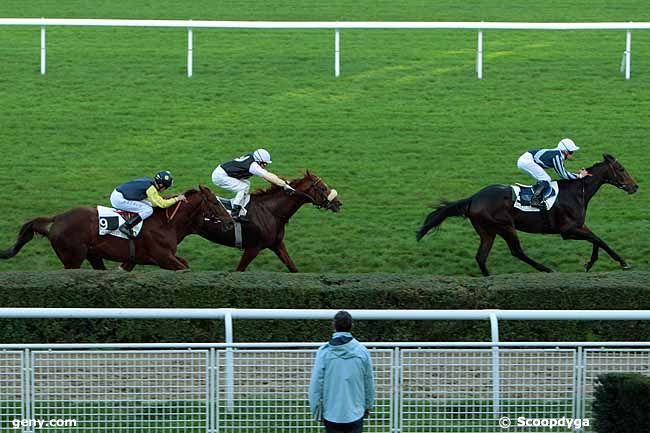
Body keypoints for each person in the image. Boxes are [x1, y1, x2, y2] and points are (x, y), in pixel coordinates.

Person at [309, 311, 375, 433]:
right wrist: (368, 405)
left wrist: (316, 409)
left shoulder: (324, 352)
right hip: (355, 412)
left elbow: (316, 385)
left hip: (331, 413)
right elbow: (368, 381)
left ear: (333, 326)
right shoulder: (362, 351)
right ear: (352, 326)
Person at [211, 149, 296, 222]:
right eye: (264, 163)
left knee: (246, 184)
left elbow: (267, 177)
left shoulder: (253, 159)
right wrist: (284, 185)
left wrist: (284, 183)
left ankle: (234, 204)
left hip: (222, 173)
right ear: (259, 161)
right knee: (243, 187)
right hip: (220, 176)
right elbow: (267, 176)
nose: (265, 166)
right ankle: (234, 212)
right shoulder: (253, 166)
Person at [110, 170, 186, 238]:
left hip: (120, 194)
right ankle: (126, 226)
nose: (165, 189)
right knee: (148, 210)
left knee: (149, 204)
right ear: (161, 185)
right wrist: (177, 199)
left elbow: (154, 200)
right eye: (165, 187)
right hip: (119, 200)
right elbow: (162, 204)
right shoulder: (151, 189)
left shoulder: (149, 182)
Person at [517, 138, 590, 208]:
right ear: (565, 151)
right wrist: (579, 176)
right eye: (571, 152)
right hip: (526, 160)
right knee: (546, 179)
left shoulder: (557, 154)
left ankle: (535, 194)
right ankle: (534, 200)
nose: (571, 154)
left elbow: (562, 171)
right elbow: (563, 174)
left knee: (543, 179)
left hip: (526, 159)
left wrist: (575, 175)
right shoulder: (557, 156)